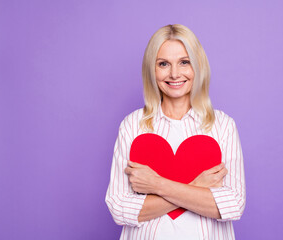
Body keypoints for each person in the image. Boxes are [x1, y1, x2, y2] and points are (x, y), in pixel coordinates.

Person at [105, 24, 246, 240]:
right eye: (163, 64)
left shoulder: (223, 125)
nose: (174, 73)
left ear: (197, 66)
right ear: (151, 69)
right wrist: (197, 187)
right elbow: (119, 208)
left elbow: (232, 204)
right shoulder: (132, 125)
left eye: (184, 62)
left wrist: (156, 185)